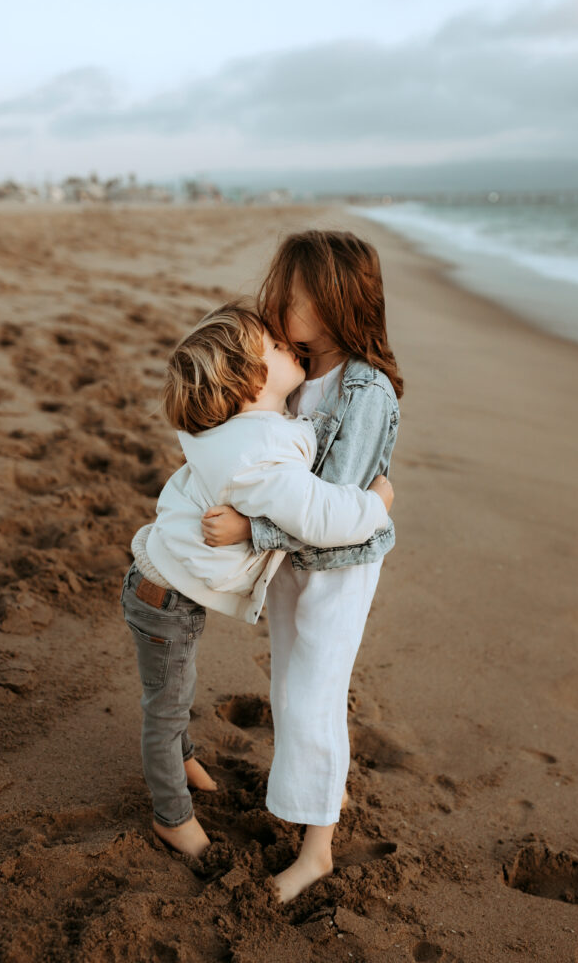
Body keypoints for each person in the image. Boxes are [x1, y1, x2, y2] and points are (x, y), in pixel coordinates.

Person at [121, 302, 394, 859]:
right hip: (163, 598)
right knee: (166, 704)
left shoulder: (243, 429)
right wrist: (376, 502)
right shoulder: (257, 454)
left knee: (178, 685)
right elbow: (319, 517)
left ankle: (186, 756)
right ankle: (171, 814)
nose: (284, 342)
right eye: (271, 347)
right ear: (248, 384)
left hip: (166, 585)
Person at [202, 231, 403, 901]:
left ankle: (316, 851)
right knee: (291, 685)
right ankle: (317, 793)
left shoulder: (362, 391)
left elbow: (331, 514)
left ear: (339, 300)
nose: (279, 304)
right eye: (282, 293)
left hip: (333, 567)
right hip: (291, 564)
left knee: (314, 696)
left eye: (296, 296)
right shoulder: (300, 374)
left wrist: (250, 528)